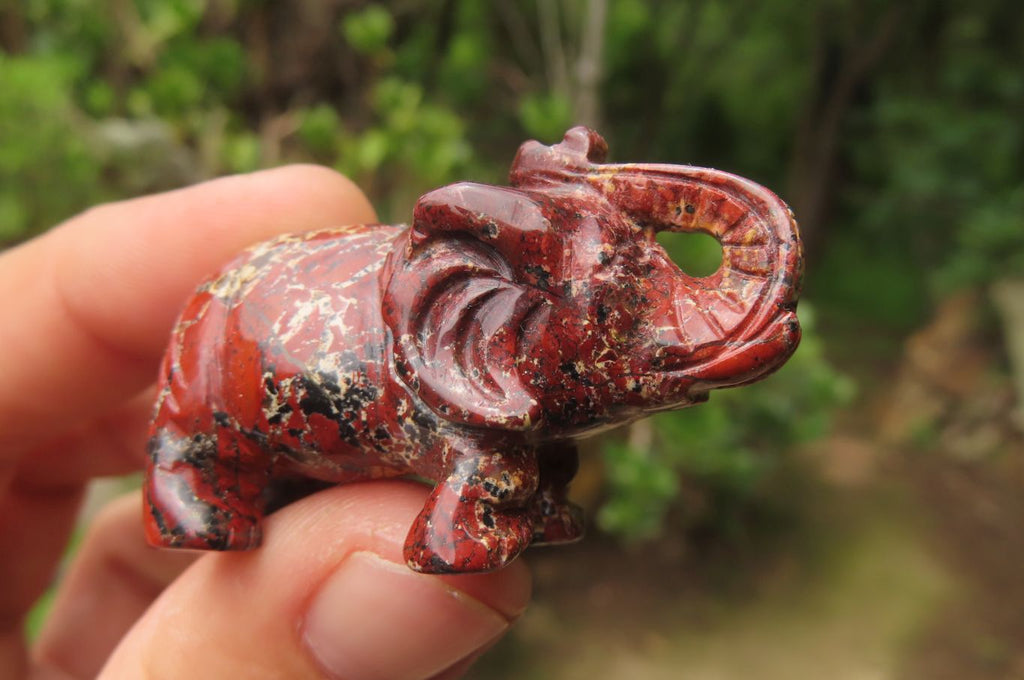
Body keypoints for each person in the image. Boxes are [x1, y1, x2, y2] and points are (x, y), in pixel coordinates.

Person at [0, 166, 531, 679]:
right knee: (208, 409)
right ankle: (189, 477)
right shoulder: (468, 352)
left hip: (325, 381)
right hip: (262, 340)